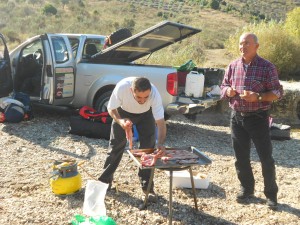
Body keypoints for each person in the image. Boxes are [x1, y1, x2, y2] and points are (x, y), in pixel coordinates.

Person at [220, 33, 283, 208]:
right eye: (241, 43)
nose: (243, 46)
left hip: (258, 118)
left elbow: (278, 92)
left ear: (256, 46)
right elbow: (223, 86)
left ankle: (271, 194)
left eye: (247, 43)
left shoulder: (267, 67)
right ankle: (247, 189)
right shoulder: (233, 66)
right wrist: (228, 92)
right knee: (240, 157)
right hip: (237, 118)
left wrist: (259, 97)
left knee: (266, 158)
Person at [98, 77, 166, 200]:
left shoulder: (154, 94)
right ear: (131, 90)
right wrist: (120, 121)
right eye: (139, 97)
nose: (143, 100)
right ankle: (104, 182)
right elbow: (111, 108)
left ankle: (147, 188)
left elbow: (161, 123)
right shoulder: (122, 87)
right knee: (115, 147)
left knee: (148, 149)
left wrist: (160, 143)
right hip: (122, 112)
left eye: (146, 97)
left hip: (146, 115)